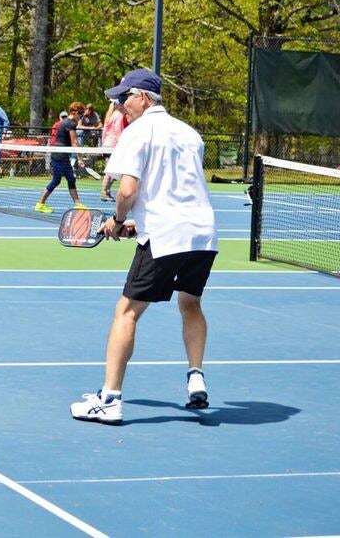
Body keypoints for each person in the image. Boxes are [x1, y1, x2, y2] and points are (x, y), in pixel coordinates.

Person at [70, 69, 218, 425]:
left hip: (166, 236)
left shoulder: (137, 132)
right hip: (202, 233)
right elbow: (174, 189)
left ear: (144, 98)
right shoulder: (190, 133)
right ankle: (195, 375)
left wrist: (119, 221)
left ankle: (110, 399)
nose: (120, 106)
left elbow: (128, 191)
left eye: (124, 98)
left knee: (126, 312)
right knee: (190, 302)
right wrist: (135, 221)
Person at [36, 103, 87, 214]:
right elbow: (75, 142)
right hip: (60, 155)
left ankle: (78, 204)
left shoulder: (64, 122)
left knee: (70, 179)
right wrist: (80, 159)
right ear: (77, 113)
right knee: (57, 180)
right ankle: (40, 204)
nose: (81, 118)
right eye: (81, 115)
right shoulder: (71, 123)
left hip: (60, 154)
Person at [99, 97, 129, 201]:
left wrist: (103, 144)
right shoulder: (119, 115)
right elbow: (118, 131)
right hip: (113, 145)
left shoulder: (111, 116)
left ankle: (106, 191)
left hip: (108, 145)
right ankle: (104, 192)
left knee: (114, 170)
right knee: (111, 171)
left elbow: (105, 131)